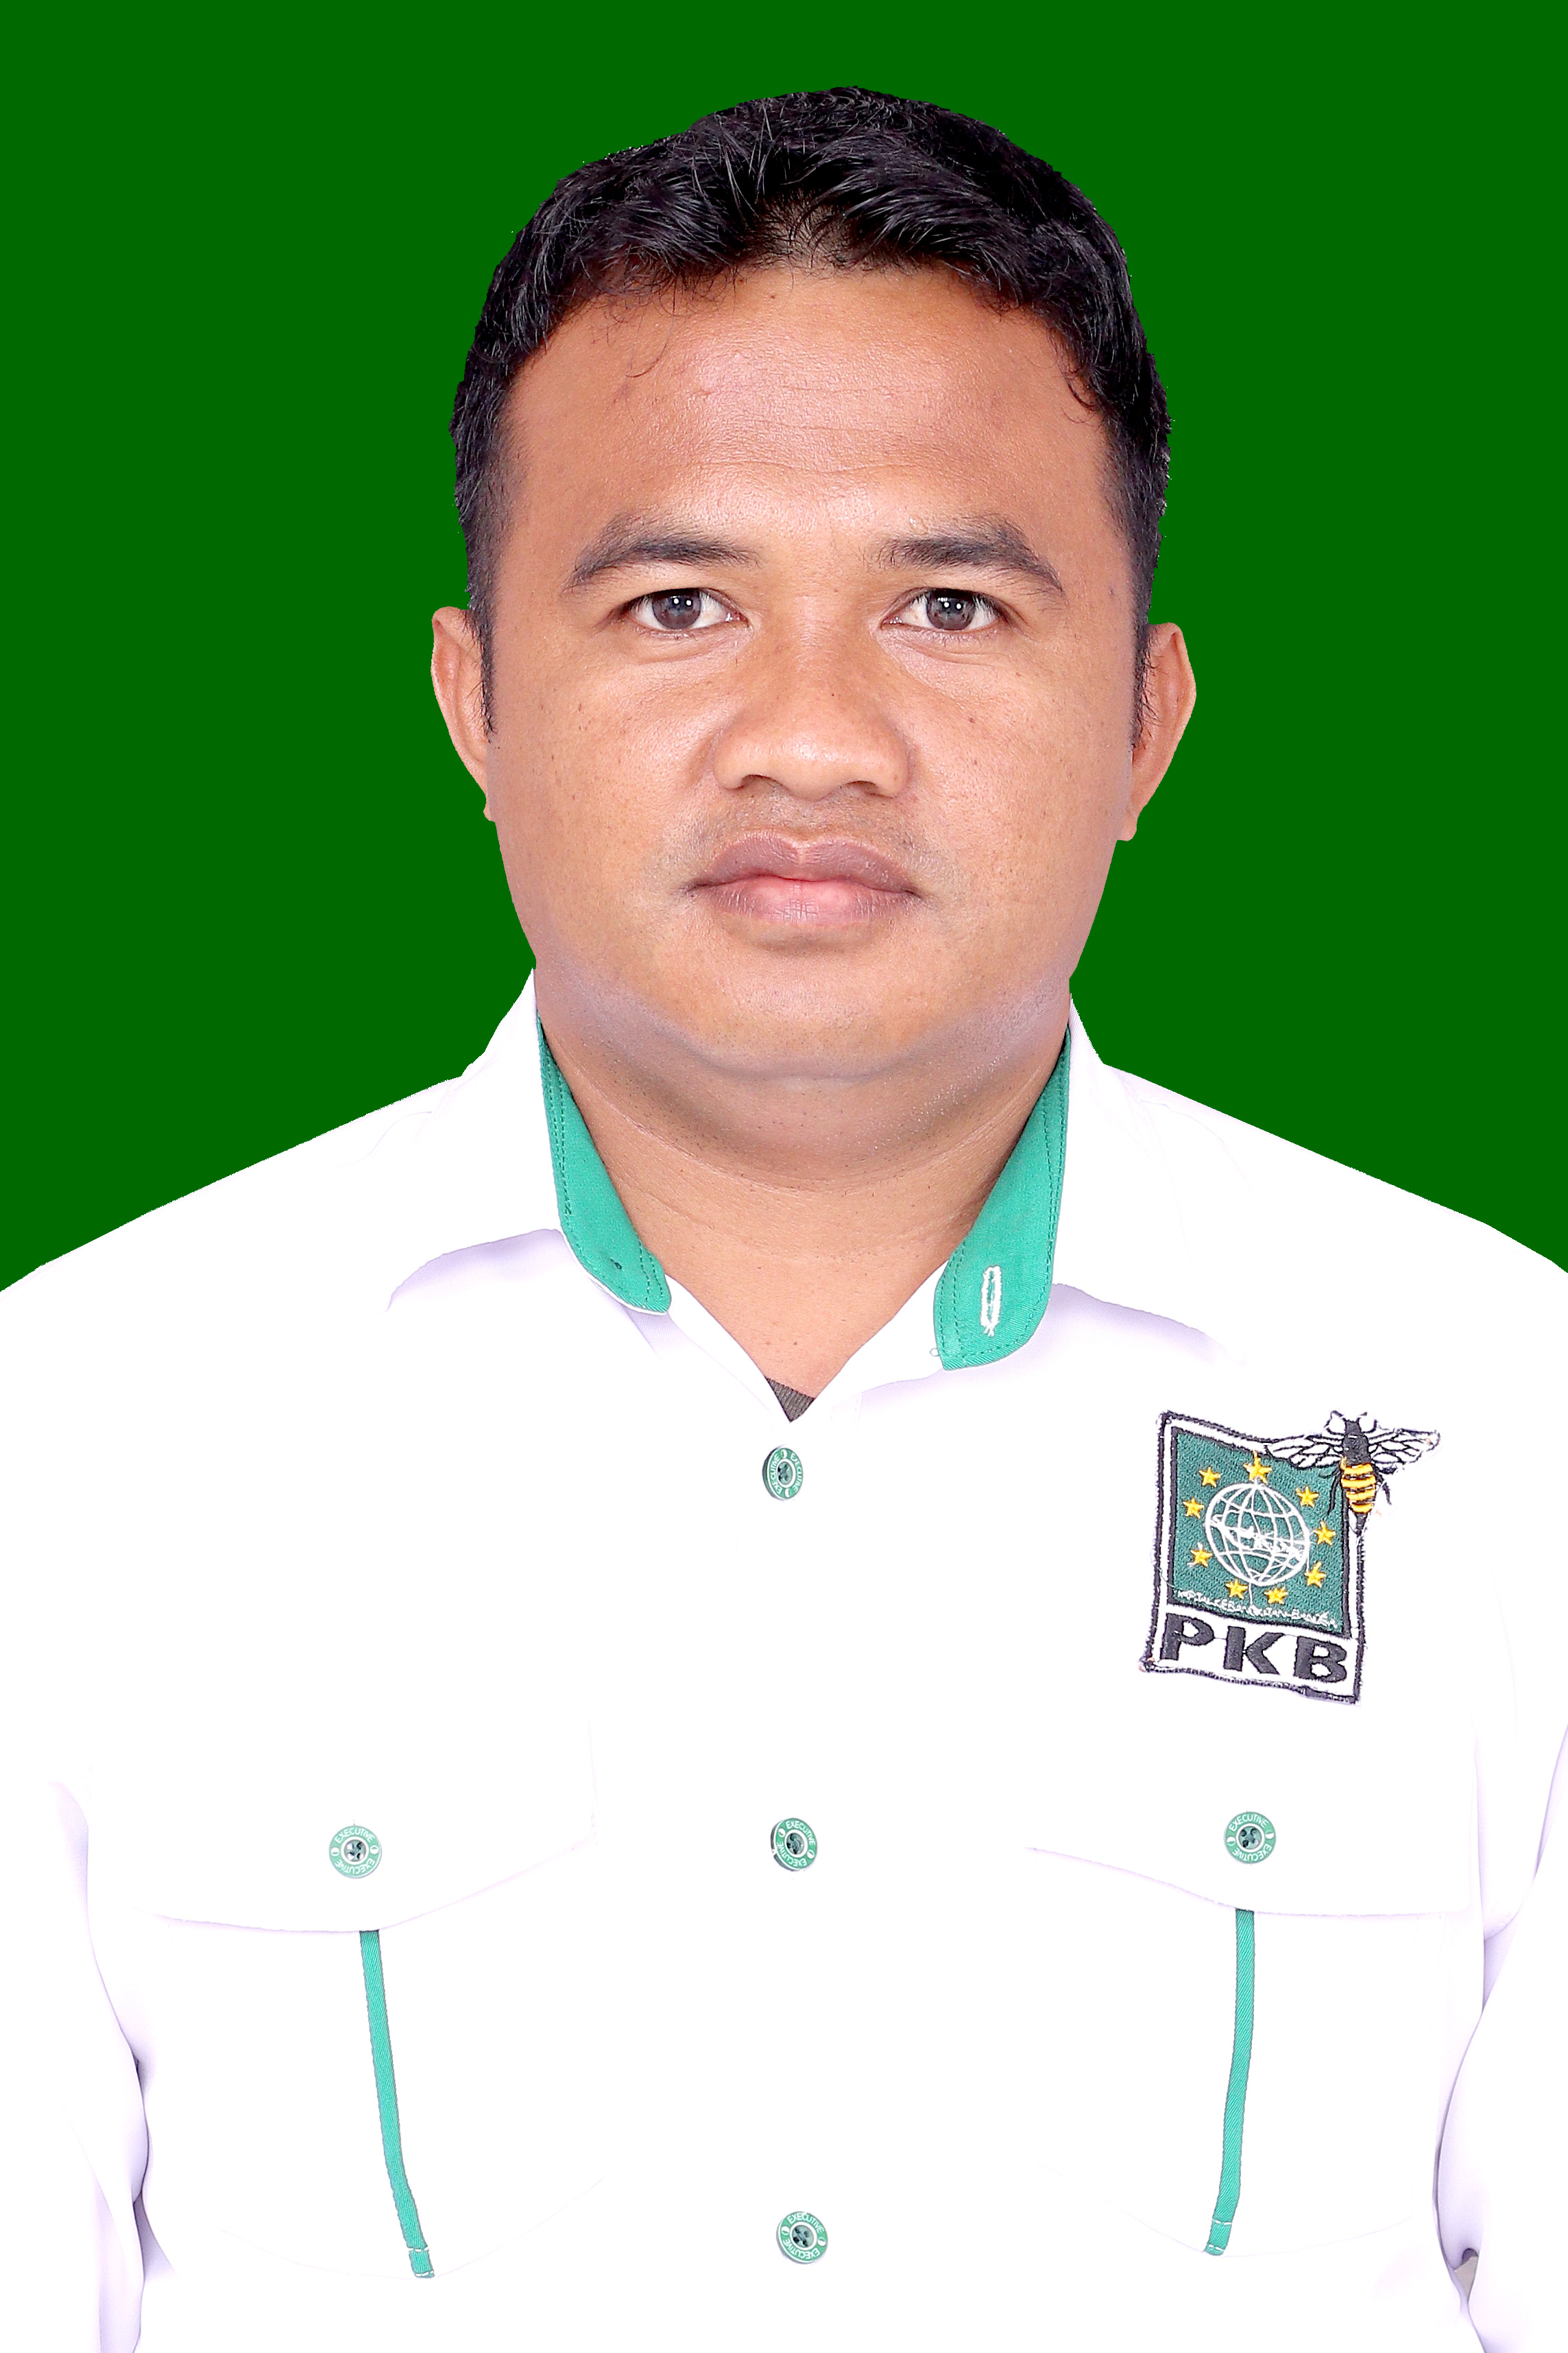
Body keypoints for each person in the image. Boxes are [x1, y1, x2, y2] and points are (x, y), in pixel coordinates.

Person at [3, 87, 1562, 2353]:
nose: (812, 739)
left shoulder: (1484, 1413)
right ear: (475, 701)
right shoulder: (84, 1427)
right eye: (678, 603)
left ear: (1148, 718)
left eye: (948, 605)